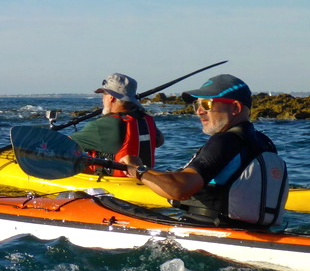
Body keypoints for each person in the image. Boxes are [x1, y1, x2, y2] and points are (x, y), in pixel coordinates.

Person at [122, 74, 288, 227]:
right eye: (197, 105)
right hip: (257, 231)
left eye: (207, 104)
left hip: (213, 231)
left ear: (235, 108)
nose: (199, 111)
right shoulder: (264, 142)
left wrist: (138, 170)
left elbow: (180, 190)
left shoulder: (225, 140)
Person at [70, 73, 164, 176]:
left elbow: (64, 144)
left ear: (111, 98)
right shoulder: (145, 119)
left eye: (104, 95)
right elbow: (159, 141)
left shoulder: (103, 125)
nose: (102, 99)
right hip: (146, 179)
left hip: (113, 184)